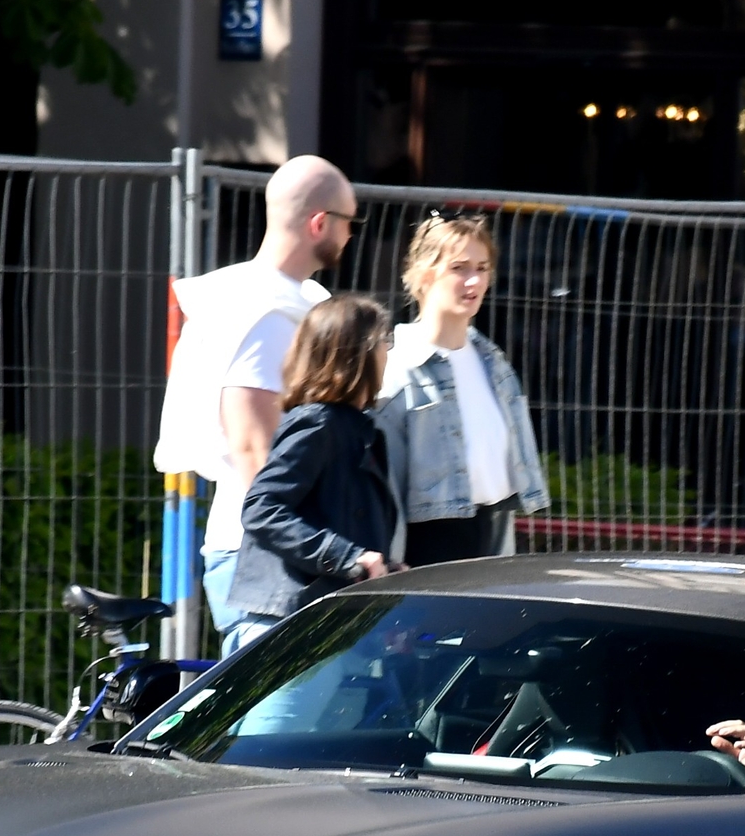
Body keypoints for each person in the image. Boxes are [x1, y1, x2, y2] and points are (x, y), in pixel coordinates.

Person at [153, 156, 361, 638]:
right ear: (319, 222)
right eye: (351, 221)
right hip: (266, 556)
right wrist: (316, 550)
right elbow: (255, 450)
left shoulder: (276, 298)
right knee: (274, 714)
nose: (352, 234)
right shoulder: (266, 311)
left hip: (266, 547)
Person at [224, 297, 405, 651]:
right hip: (287, 624)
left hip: (324, 623)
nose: (388, 352)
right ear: (357, 354)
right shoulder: (317, 423)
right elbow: (262, 508)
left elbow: (345, 519)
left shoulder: (357, 428)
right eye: (384, 342)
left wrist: (380, 565)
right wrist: (347, 557)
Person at [372, 213, 550, 565]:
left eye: (482, 268)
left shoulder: (494, 363)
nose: (474, 281)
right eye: (459, 268)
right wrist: (391, 562)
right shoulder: (398, 369)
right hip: (428, 548)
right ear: (425, 275)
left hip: (495, 533)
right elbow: (385, 486)